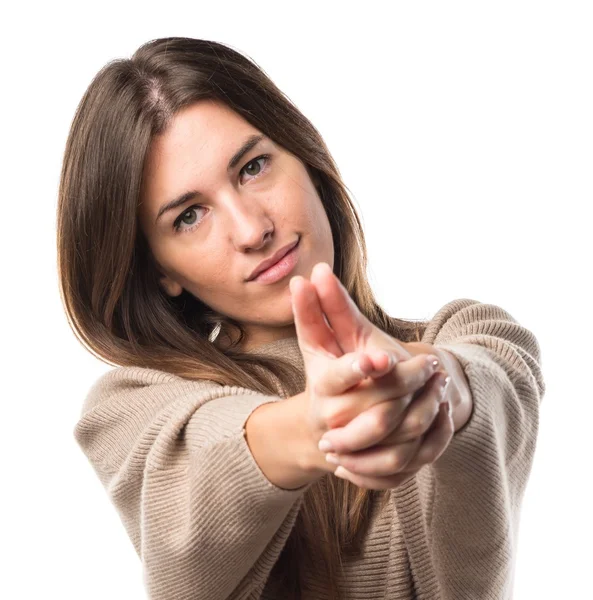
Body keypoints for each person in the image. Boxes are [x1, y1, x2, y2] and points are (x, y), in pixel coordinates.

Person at [61, 37, 546, 600]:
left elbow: (488, 374)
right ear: (161, 270)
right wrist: (319, 425)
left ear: (306, 159)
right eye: (190, 216)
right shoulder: (132, 408)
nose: (251, 229)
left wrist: (432, 387)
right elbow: (193, 473)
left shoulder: (473, 334)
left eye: (253, 167)